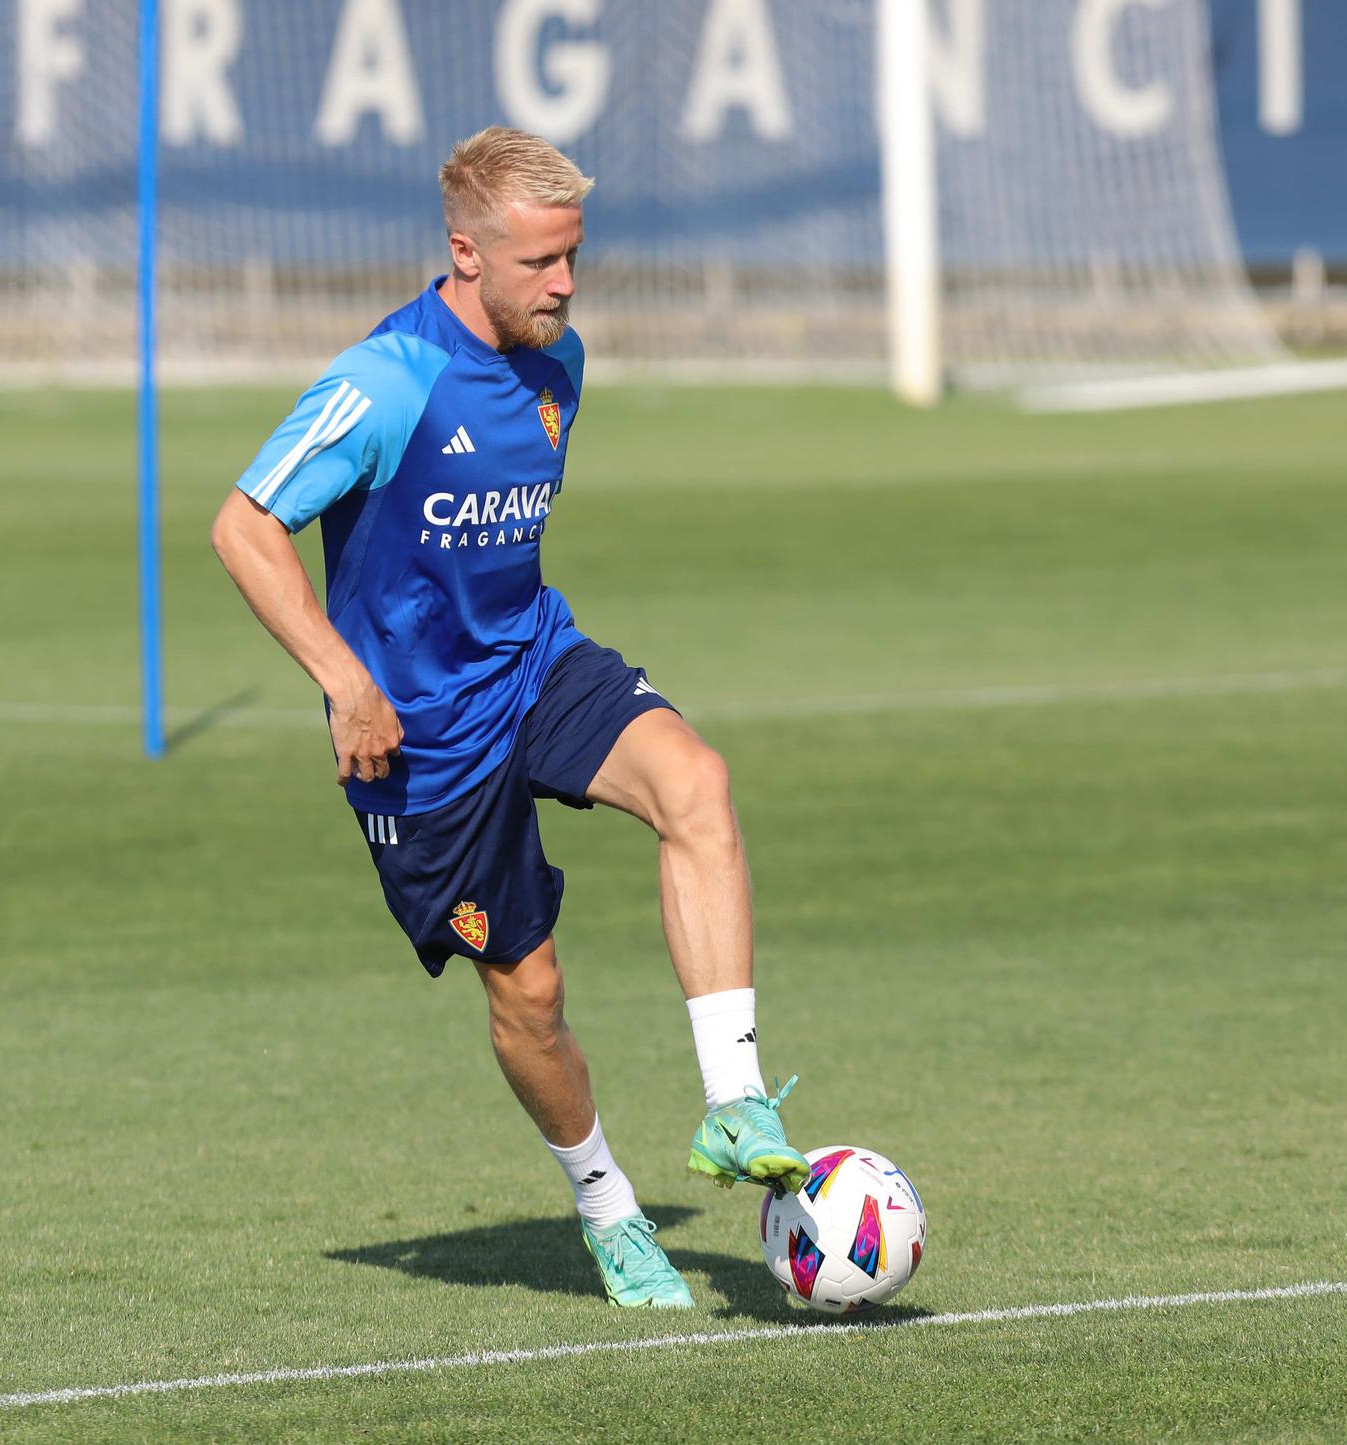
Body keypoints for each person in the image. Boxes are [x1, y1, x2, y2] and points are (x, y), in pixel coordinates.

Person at [211, 126, 806, 1309]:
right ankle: (605, 1203)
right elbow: (242, 526)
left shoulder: (556, 362)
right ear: (465, 253)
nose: (565, 285)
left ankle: (733, 1102)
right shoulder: (383, 380)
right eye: (540, 262)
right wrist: (344, 679)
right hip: (417, 735)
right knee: (527, 994)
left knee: (695, 780)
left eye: (573, 256)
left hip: (533, 661)